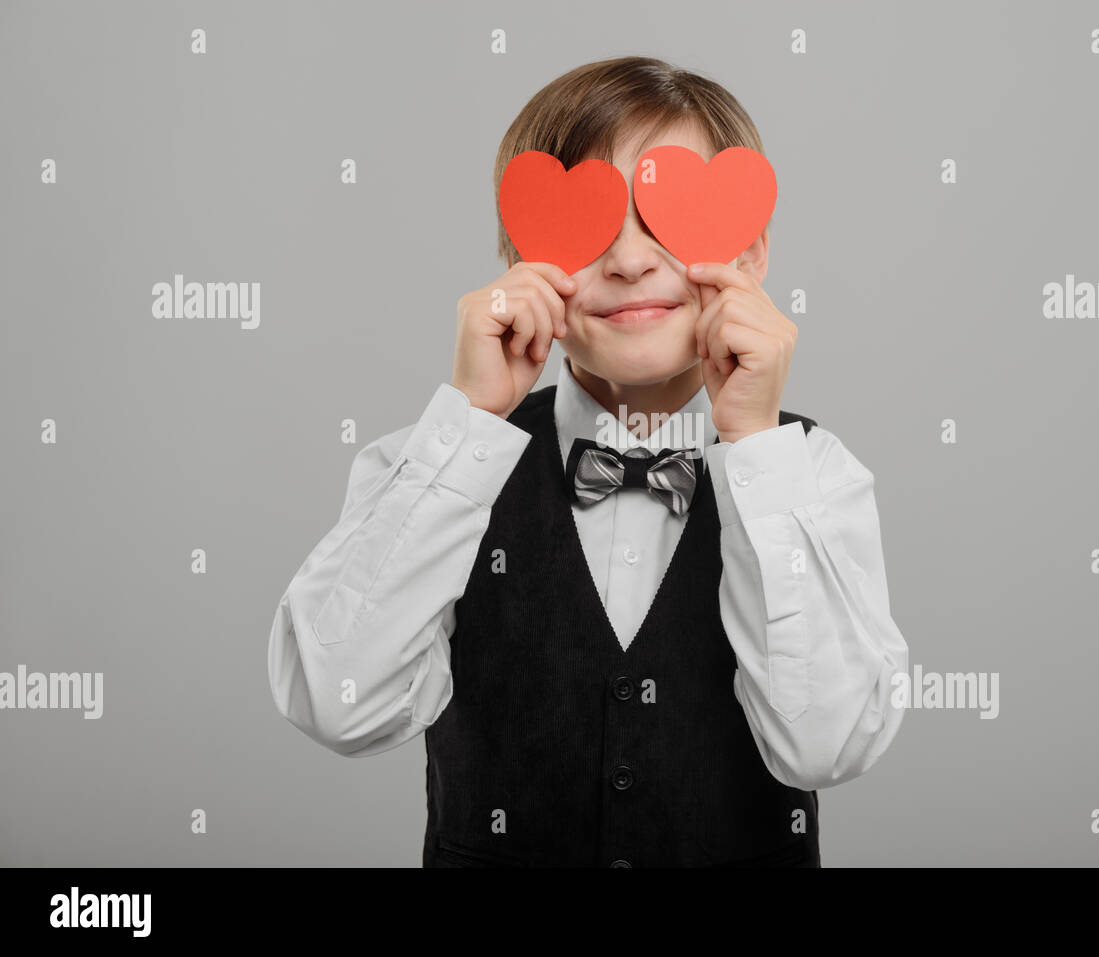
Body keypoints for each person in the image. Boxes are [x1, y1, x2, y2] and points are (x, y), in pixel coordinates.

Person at [267, 55, 909, 867]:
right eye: (587, 223)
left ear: (748, 256)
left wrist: (753, 444)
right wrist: (468, 423)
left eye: (669, 216)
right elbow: (336, 704)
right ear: (517, 262)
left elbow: (824, 747)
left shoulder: (812, 476)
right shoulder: (438, 465)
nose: (630, 260)